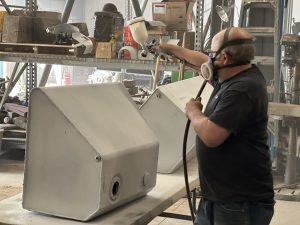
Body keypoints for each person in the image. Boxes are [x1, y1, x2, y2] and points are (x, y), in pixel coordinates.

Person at [156, 27, 275, 225]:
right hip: (219, 197)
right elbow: (200, 60)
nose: (208, 59)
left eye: (212, 54)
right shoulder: (233, 74)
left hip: (239, 203)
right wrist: (169, 48)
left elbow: (211, 136)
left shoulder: (242, 89)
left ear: (225, 58)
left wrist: (193, 111)